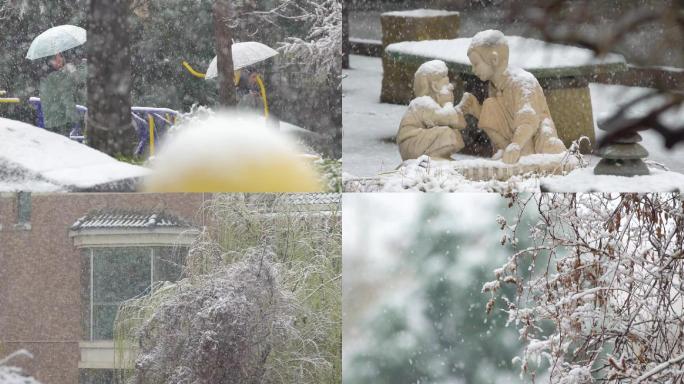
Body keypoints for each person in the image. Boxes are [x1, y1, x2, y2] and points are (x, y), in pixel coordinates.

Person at [466, 29, 566, 164]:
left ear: (494, 59)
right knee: (489, 106)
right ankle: (507, 153)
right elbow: (501, 118)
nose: (473, 70)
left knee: (549, 143)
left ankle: (524, 155)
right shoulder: (494, 86)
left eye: (476, 64)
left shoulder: (522, 82)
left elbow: (528, 120)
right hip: (516, 141)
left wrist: (516, 145)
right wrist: (476, 110)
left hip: (536, 138)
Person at [396, 60, 480, 161]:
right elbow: (452, 119)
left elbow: (454, 121)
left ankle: (438, 157)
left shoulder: (432, 106)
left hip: (415, 144)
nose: (451, 87)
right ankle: (432, 158)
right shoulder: (423, 103)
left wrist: (461, 108)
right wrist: (448, 102)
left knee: (451, 132)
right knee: (449, 134)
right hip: (411, 146)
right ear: (434, 86)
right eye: (447, 84)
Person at [39, 52, 86, 137]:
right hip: (57, 119)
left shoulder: (62, 73)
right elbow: (65, 91)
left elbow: (78, 85)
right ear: (50, 62)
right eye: (55, 58)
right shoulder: (52, 76)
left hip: (60, 118)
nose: (59, 60)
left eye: (60, 56)